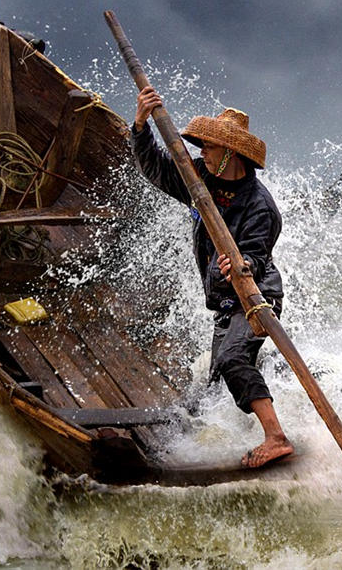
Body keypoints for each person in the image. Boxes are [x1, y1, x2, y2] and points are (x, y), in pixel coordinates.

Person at [132, 86, 293, 468]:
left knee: (234, 357)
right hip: (224, 299)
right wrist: (140, 124)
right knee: (217, 376)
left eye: (210, 148)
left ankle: (276, 437)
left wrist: (238, 267)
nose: (202, 152)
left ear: (231, 154)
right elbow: (156, 167)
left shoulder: (260, 207)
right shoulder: (199, 177)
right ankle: (207, 430)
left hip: (255, 297)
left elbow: (254, 257)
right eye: (202, 146)